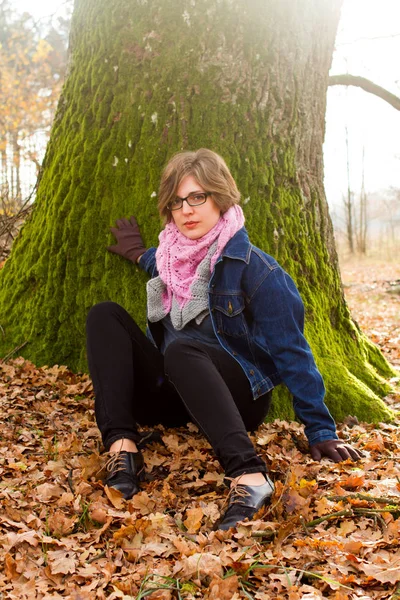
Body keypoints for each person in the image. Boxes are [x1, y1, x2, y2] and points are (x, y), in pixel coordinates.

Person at [86, 148, 362, 531]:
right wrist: (136, 253)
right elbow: (163, 262)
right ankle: (122, 448)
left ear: (220, 197)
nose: (187, 210)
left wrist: (320, 429)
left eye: (198, 197)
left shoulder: (257, 269)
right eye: (177, 201)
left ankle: (249, 475)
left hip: (239, 399)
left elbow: (293, 352)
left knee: (181, 350)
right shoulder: (171, 258)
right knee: (104, 315)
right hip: (178, 394)